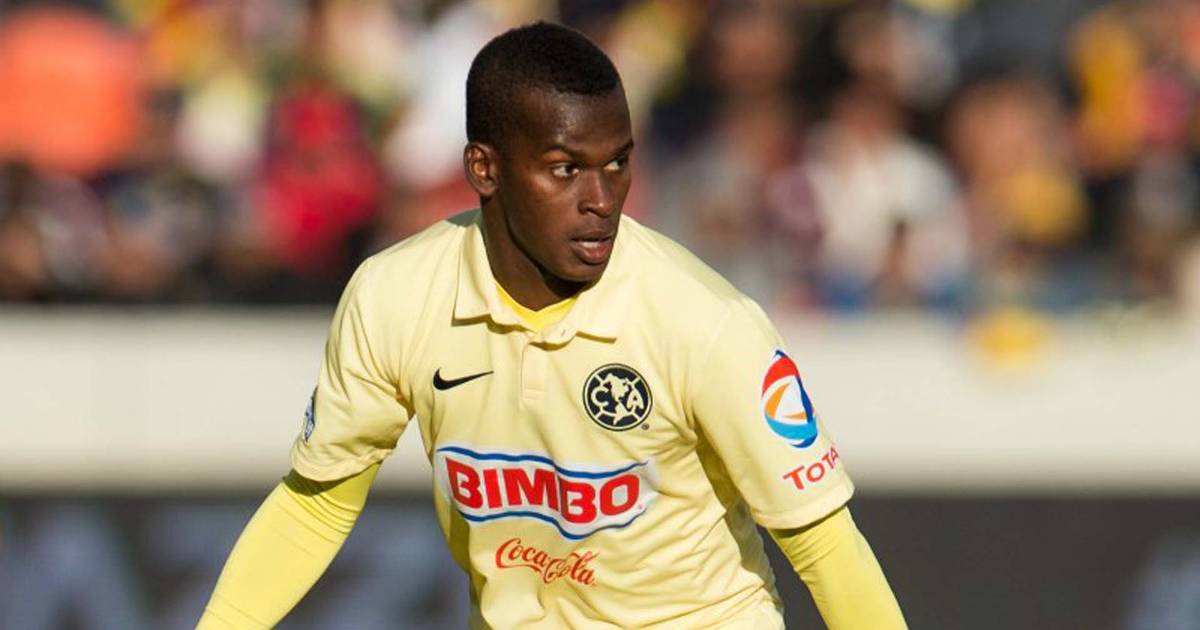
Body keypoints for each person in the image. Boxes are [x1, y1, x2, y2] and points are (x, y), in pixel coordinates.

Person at [197, 21, 906, 629]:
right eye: (565, 170)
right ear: (484, 168)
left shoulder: (706, 322)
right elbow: (316, 509)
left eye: (617, 163)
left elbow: (826, 548)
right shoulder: (396, 296)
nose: (601, 199)